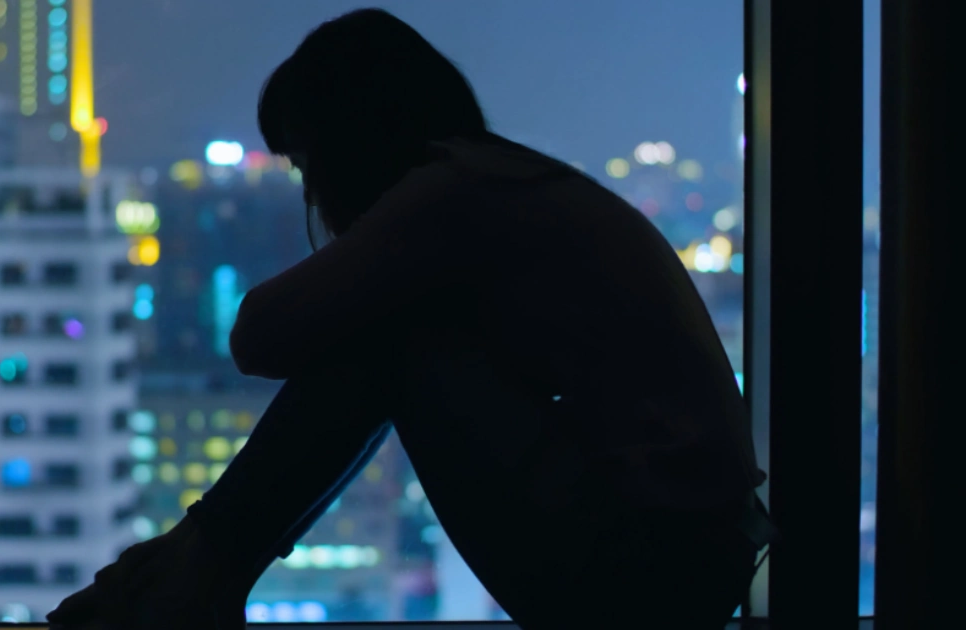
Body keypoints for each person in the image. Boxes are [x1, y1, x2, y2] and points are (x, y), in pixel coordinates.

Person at [47, 7, 773, 630]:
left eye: (306, 163)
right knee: (394, 331)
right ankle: (199, 569)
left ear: (349, 139)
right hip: (685, 562)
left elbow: (258, 336)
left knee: (392, 339)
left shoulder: (455, 195)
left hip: (645, 566)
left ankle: (198, 574)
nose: (310, 190)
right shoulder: (503, 181)